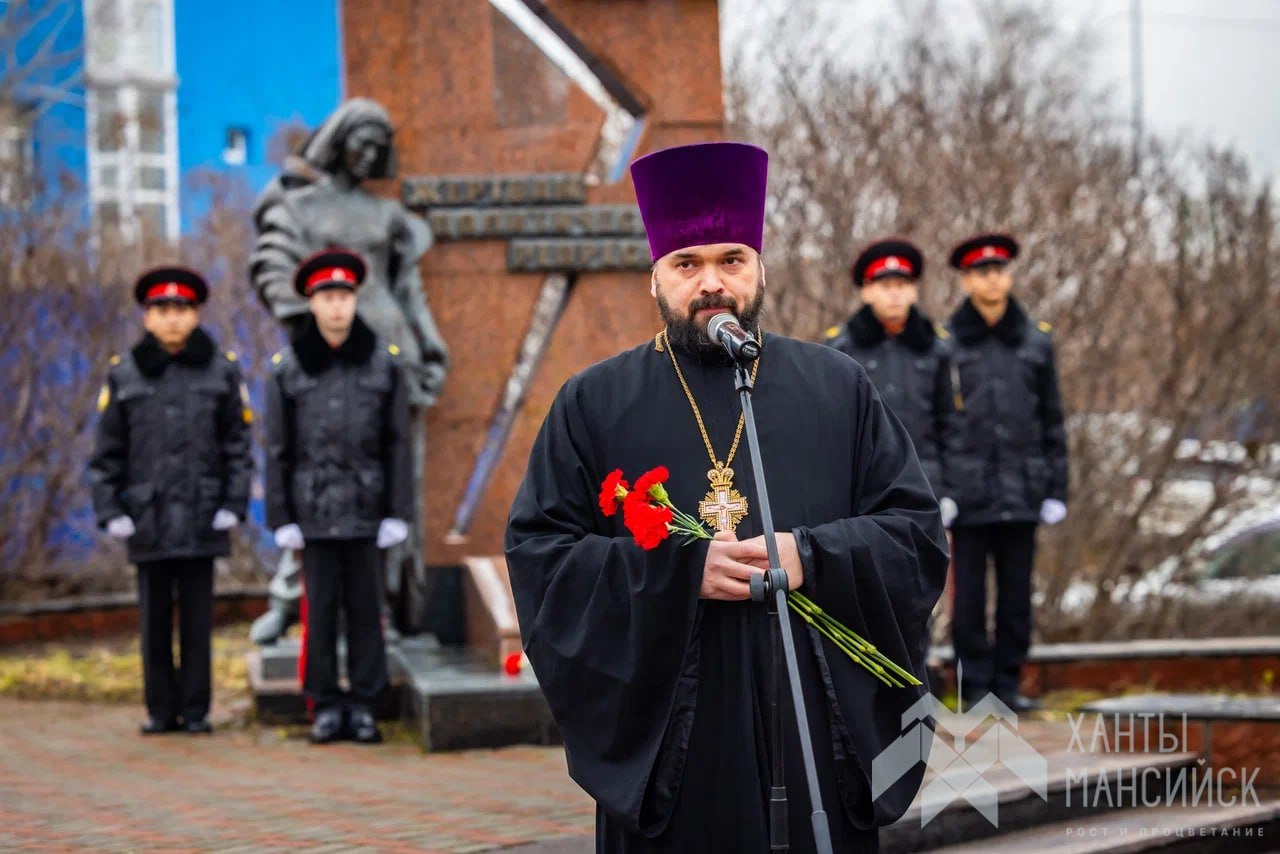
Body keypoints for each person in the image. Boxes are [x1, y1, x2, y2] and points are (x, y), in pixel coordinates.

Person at [505, 142, 948, 853]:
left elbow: (916, 536)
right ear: (655, 280)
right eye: (688, 265)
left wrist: (811, 555)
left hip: (812, 730)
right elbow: (540, 558)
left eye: (731, 261)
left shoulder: (838, 388)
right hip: (673, 745)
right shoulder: (591, 403)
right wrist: (679, 575)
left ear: (760, 270)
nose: (711, 284)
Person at [249, 97, 448, 643]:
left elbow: (410, 290)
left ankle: (380, 609)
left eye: (376, 146)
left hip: (392, 354)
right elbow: (274, 274)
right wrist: (320, 336)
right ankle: (291, 600)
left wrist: (430, 347)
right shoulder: (297, 207)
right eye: (359, 140)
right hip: (324, 359)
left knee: (386, 481)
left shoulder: (388, 217)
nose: (367, 153)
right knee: (316, 477)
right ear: (337, 142)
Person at [88, 267, 252, 735]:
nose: (173, 319)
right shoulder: (126, 373)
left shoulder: (221, 370)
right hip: (148, 517)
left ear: (196, 314)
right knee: (154, 619)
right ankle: (161, 710)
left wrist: (232, 504)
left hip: (202, 515)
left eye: (182, 310)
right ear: (147, 317)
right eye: (162, 310)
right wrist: (111, 510)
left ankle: (197, 710)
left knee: (199, 622)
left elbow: (237, 447)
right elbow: (106, 454)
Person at [265, 248, 413, 744]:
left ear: (355, 301)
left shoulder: (382, 363)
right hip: (313, 512)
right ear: (312, 303)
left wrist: (398, 511)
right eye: (327, 297)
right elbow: (278, 448)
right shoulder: (289, 368)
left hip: (368, 513)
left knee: (368, 614)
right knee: (320, 614)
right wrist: (281, 514)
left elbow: (398, 444)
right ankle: (325, 704)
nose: (336, 307)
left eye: (344, 296)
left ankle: (366, 705)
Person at [945, 233, 1068, 712]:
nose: (991, 279)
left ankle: (1010, 684)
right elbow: (941, 422)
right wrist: (945, 487)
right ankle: (975, 687)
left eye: (998, 270)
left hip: (1023, 488)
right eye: (981, 272)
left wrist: (1056, 487)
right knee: (969, 598)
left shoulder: (1036, 341)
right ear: (967, 280)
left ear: (1009, 276)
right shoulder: (947, 343)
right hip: (970, 492)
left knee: (1017, 596)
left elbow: (1052, 419)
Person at [826, 238, 958, 525]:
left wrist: (950, 491)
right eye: (885, 286)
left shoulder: (937, 348)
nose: (895, 295)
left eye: (902, 286)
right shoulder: (840, 348)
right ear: (867, 292)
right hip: (866, 486)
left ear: (914, 291)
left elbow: (949, 423)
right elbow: (834, 427)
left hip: (926, 483)